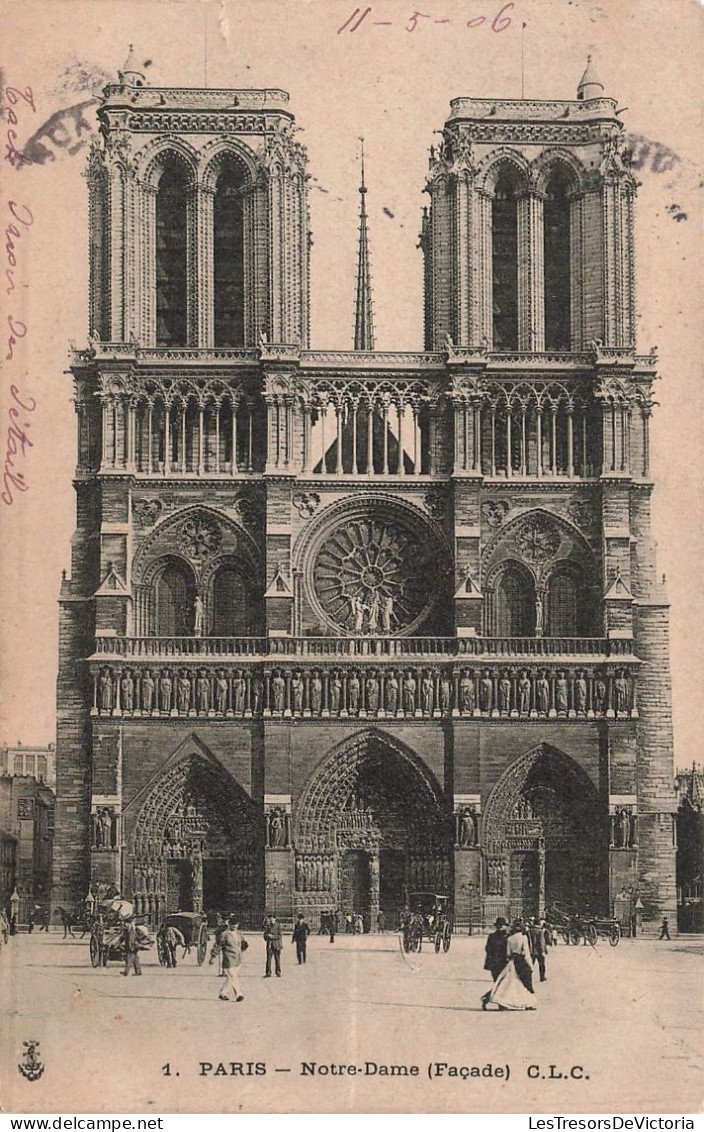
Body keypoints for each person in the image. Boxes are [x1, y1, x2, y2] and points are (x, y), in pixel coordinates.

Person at [482, 919, 536, 1011]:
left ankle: (496, 1002)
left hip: (499, 963)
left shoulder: (506, 937)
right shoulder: (510, 937)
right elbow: (526, 954)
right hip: (505, 963)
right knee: (506, 983)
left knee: (501, 983)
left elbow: (489, 949)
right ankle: (492, 1000)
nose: (501, 927)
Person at [217, 917, 247, 1002]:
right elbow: (218, 945)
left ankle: (223, 993)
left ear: (238, 925)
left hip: (238, 958)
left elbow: (244, 944)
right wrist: (213, 955)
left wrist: (242, 950)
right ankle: (239, 994)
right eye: (232, 924)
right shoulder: (224, 934)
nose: (234, 926)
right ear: (229, 924)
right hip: (228, 958)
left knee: (230, 977)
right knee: (233, 976)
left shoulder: (239, 934)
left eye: (235, 924)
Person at [482, 918, 509, 999]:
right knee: (501, 983)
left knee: (498, 982)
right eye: (500, 925)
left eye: (502, 925)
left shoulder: (492, 936)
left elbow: (487, 948)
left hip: (494, 963)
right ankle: (491, 999)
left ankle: (488, 998)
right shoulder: (507, 937)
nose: (501, 927)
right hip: (503, 963)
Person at [527, 917, 547, 982]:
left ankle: (528, 977)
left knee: (530, 964)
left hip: (531, 950)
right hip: (539, 951)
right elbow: (541, 942)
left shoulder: (529, 931)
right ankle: (542, 977)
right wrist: (543, 951)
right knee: (541, 965)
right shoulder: (540, 931)